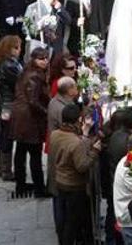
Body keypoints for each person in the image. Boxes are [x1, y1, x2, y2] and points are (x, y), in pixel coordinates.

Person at [49, 103, 102, 245]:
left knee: (66, 218)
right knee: (72, 222)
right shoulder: (75, 142)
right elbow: (82, 166)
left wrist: (84, 134)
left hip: (60, 181)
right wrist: (95, 151)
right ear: (78, 119)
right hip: (74, 186)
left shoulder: (55, 134)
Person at [11, 47, 50, 198]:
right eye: (41, 59)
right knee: (34, 154)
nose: (45, 61)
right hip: (30, 120)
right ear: (34, 60)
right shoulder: (35, 76)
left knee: (20, 152)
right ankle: (39, 188)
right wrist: (47, 112)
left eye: (46, 58)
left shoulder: (26, 71)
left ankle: (20, 185)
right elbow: (33, 101)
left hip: (20, 118)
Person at [0, 36, 21, 182]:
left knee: (4, 135)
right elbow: (20, 81)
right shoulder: (9, 66)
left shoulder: (1, 62)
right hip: (8, 106)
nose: (19, 51)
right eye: (16, 48)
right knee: (7, 137)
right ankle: (6, 171)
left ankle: (1, 168)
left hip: (3, 104)